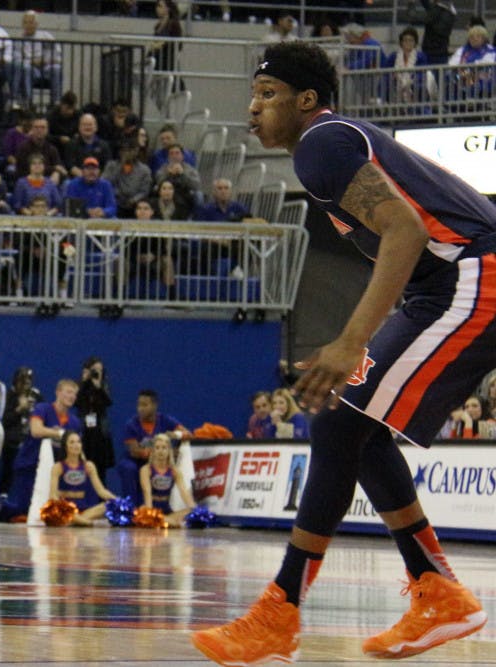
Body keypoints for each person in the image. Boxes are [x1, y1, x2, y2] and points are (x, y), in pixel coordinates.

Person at [190, 41, 491, 666]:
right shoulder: (330, 146)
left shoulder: (321, 144)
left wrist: (350, 339)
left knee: (339, 422)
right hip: (442, 282)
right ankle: (437, 589)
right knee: (357, 428)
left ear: (306, 101)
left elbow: (407, 232)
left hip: (471, 274)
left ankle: (281, 611)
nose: (253, 108)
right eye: (253, 94)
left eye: (267, 95)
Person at [4, 378, 82, 521]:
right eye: (68, 392)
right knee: (23, 509)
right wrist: (58, 433)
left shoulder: (75, 422)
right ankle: (0, 509)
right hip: (30, 464)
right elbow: (36, 430)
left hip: (54, 470)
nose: (72, 396)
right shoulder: (43, 409)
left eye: (75, 394)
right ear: (58, 392)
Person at [119, 389, 188, 500]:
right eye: (139, 405)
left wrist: (176, 435)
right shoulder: (131, 424)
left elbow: (188, 434)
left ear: (155, 405)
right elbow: (135, 451)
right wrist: (160, 451)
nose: (140, 408)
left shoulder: (165, 420)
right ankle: (131, 506)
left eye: (145, 405)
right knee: (128, 468)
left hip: (159, 460)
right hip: (136, 461)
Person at [49, 430, 115, 526]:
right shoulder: (58, 467)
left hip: (85, 510)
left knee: (106, 506)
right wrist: (63, 507)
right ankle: (81, 521)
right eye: (72, 442)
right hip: (66, 509)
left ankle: (77, 521)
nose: (76, 445)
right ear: (65, 446)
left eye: (78, 442)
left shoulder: (89, 466)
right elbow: (52, 495)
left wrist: (116, 500)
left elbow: (101, 491)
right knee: (56, 507)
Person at [0, 366, 42, 495]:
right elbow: (5, 420)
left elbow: (42, 415)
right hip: (12, 442)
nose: (27, 382)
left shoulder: (36, 395)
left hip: (30, 441)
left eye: (29, 379)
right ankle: (3, 495)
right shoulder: (9, 396)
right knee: (9, 470)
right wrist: (19, 409)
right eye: (23, 379)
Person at [138, 433, 194, 525]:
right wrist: (151, 514)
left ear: (169, 451)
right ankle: (165, 521)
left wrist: (195, 510)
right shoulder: (146, 470)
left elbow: (184, 492)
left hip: (167, 510)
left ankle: (167, 521)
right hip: (150, 508)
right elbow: (146, 492)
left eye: (164, 448)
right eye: (157, 448)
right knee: (146, 513)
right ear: (152, 451)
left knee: (191, 512)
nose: (161, 451)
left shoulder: (175, 471)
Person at [11, 10, 63, 108]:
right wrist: (32, 62)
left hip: (46, 67)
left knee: (56, 68)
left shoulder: (45, 36)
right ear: (22, 24)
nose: (28, 25)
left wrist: (45, 60)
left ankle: (56, 102)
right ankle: (28, 101)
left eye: (31, 22)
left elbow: (57, 54)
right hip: (31, 69)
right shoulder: (19, 40)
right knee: (26, 67)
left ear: (36, 24)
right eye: (25, 22)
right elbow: (17, 58)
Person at [75, 357, 113, 478]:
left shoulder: (103, 385)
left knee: (100, 470)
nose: (96, 373)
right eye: (94, 370)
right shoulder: (81, 385)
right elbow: (77, 402)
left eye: (99, 370)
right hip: (85, 430)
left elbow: (108, 402)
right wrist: (85, 381)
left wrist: (99, 387)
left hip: (100, 431)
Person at [102, 140, 153, 219]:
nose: (128, 153)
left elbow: (145, 190)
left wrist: (134, 200)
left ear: (136, 152)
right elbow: (105, 183)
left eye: (131, 150)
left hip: (135, 205)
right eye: (125, 150)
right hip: (115, 202)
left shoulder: (144, 170)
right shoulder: (111, 166)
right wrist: (120, 166)